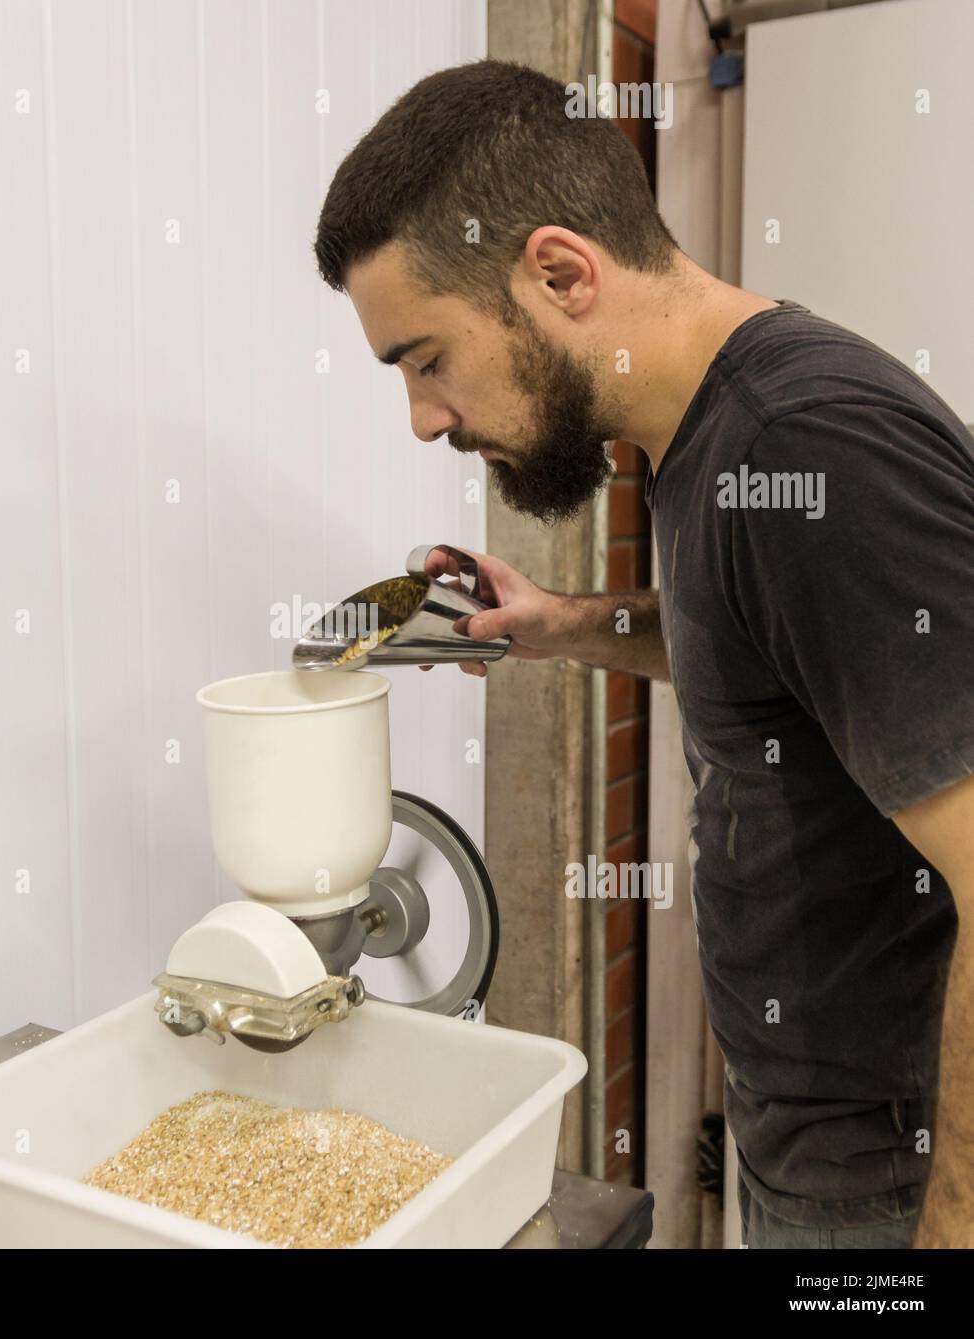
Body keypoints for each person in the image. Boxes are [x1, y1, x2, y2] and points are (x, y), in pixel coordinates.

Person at [314, 58, 974, 1249]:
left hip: (894, 1183)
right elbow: (778, 643)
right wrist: (564, 625)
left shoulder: (812, 448)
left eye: (424, 359)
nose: (424, 418)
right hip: (813, 1145)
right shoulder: (709, 431)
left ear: (559, 273)